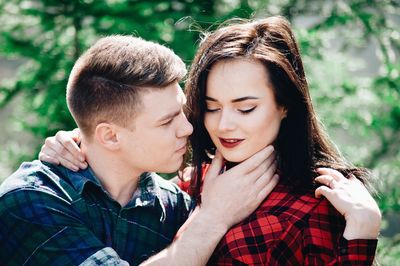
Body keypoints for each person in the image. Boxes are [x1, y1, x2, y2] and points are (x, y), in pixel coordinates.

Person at [39, 17, 381, 265]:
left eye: (246, 108)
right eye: (211, 107)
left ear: (285, 106)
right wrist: (81, 144)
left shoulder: (320, 199)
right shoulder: (189, 187)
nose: (224, 125)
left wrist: (363, 231)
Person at [0, 35, 279, 265]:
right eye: (167, 121)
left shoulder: (176, 207)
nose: (187, 128)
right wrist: (212, 219)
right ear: (110, 136)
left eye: (181, 112)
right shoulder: (29, 200)